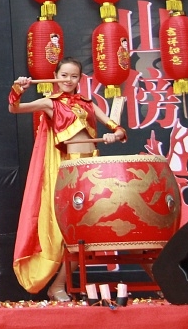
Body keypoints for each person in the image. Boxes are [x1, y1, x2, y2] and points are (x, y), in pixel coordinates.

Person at [8, 57, 127, 301]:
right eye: (64, 75)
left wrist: (115, 135)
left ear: (80, 79)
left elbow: (117, 128)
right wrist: (18, 88)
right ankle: (58, 286)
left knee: (86, 232)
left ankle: (58, 286)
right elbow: (15, 108)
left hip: (90, 172)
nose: (68, 80)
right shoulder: (50, 103)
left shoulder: (88, 104)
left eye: (73, 76)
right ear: (55, 75)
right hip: (68, 173)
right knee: (70, 231)